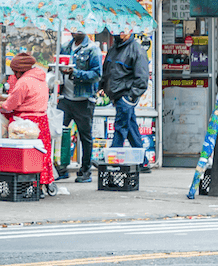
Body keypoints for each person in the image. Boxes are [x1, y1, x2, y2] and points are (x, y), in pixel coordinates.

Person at [0, 52, 54, 189]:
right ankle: (40, 184)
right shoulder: (40, 79)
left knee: (25, 155)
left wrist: (2, 104)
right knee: (40, 152)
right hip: (41, 121)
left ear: (19, 70)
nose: (14, 74)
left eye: (14, 71)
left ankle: (27, 184)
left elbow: (12, 104)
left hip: (25, 122)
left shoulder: (23, 82)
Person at [57, 31, 103, 183]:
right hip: (65, 98)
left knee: (85, 137)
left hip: (84, 100)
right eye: (73, 28)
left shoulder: (92, 49)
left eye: (79, 28)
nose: (75, 31)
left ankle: (85, 171)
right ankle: (60, 168)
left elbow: (97, 74)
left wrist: (75, 72)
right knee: (58, 133)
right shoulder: (65, 47)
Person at [103, 30, 151, 172]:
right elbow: (107, 70)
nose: (120, 33)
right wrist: (102, 87)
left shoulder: (137, 50)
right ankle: (143, 162)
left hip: (126, 96)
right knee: (130, 128)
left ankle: (112, 159)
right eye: (118, 30)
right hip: (117, 95)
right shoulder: (114, 49)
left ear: (131, 31)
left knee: (120, 127)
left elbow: (142, 78)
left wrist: (130, 97)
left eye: (124, 30)